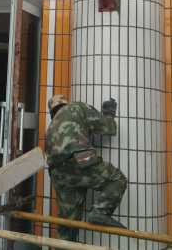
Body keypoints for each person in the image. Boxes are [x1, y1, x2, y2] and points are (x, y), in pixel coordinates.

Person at [45, 94, 127, 241]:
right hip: (80, 159)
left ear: (52, 112)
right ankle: (100, 212)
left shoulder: (50, 128)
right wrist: (109, 113)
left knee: (68, 222)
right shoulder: (76, 107)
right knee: (116, 179)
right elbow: (109, 128)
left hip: (57, 172)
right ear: (66, 103)